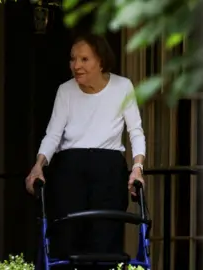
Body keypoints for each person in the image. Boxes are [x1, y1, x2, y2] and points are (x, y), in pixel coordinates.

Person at [24, 33, 146, 269]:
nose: (76, 65)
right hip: (71, 169)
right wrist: (38, 166)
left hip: (108, 169)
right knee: (67, 239)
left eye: (84, 59)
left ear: (101, 61)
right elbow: (53, 135)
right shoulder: (65, 91)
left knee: (105, 239)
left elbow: (136, 132)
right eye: (72, 59)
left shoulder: (123, 87)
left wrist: (138, 168)